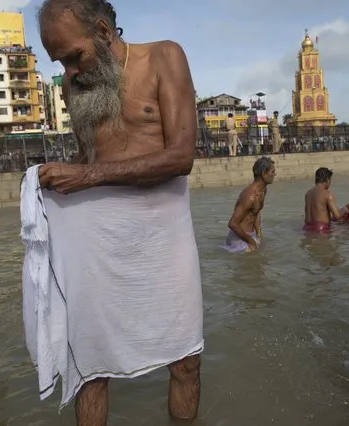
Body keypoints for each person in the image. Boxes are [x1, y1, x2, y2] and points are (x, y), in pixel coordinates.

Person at [36, 0, 203, 423]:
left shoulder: (165, 57)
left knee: (185, 361)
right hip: (99, 240)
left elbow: (181, 156)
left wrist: (87, 177)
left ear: (103, 33)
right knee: (89, 369)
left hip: (165, 235)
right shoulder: (76, 85)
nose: (70, 72)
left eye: (74, 57)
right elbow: (83, 159)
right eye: (61, 63)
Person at [223, 157, 276, 253]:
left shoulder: (263, 190)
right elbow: (232, 224)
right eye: (272, 172)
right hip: (238, 239)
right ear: (263, 174)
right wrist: (251, 241)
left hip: (249, 235)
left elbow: (256, 212)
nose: (275, 174)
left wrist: (259, 234)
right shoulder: (250, 196)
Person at [303, 167, 342, 232]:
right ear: (327, 179)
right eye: (330, 180)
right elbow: (337, 216)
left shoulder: (308, 194)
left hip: (307, 228)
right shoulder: (327, 194)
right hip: (321, 229)